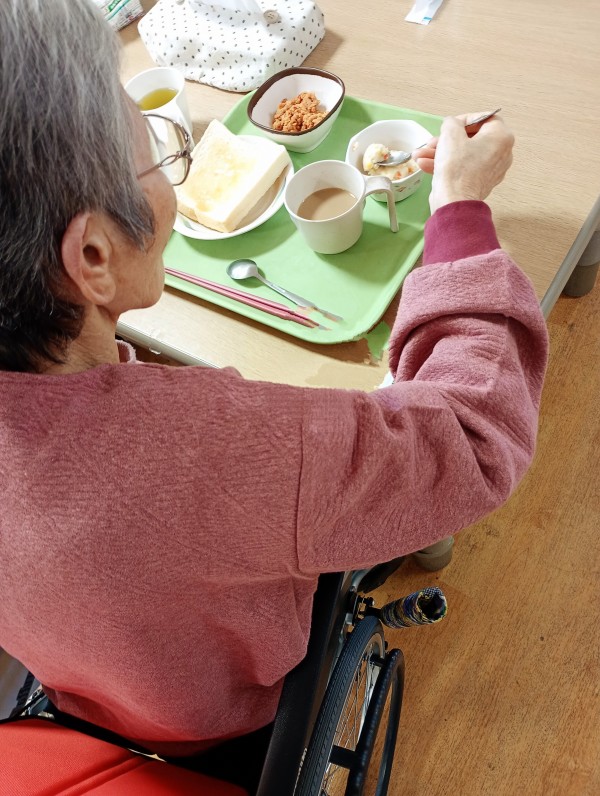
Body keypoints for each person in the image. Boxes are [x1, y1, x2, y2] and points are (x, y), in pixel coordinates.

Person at [0, 0, 548, 785]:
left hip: (86, 690)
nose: (168, 174)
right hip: (228, 711)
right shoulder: (213, 448)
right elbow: (472, 438)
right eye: (158, 155)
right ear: (92, 255)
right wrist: (459, 210)